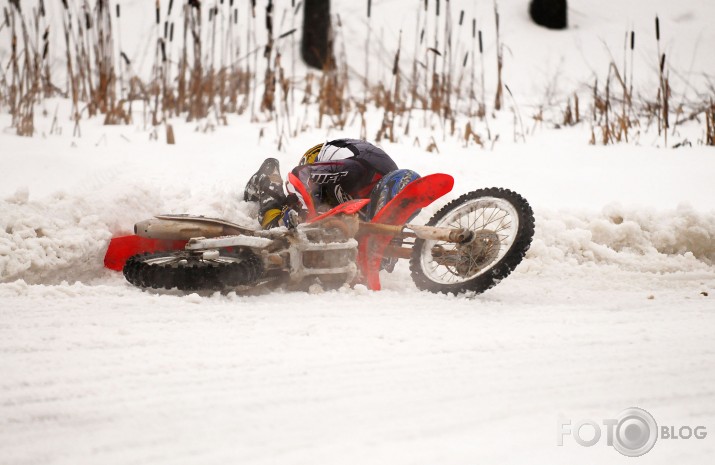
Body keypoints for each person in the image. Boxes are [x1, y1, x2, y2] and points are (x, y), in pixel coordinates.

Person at [244, 138, 420, 229]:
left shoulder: (367, 173)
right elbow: (302, 175)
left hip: (367, 177)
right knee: (279, 223)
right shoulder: (354, 174)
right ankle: (267, 181)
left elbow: (301, 174)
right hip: (321, 162)